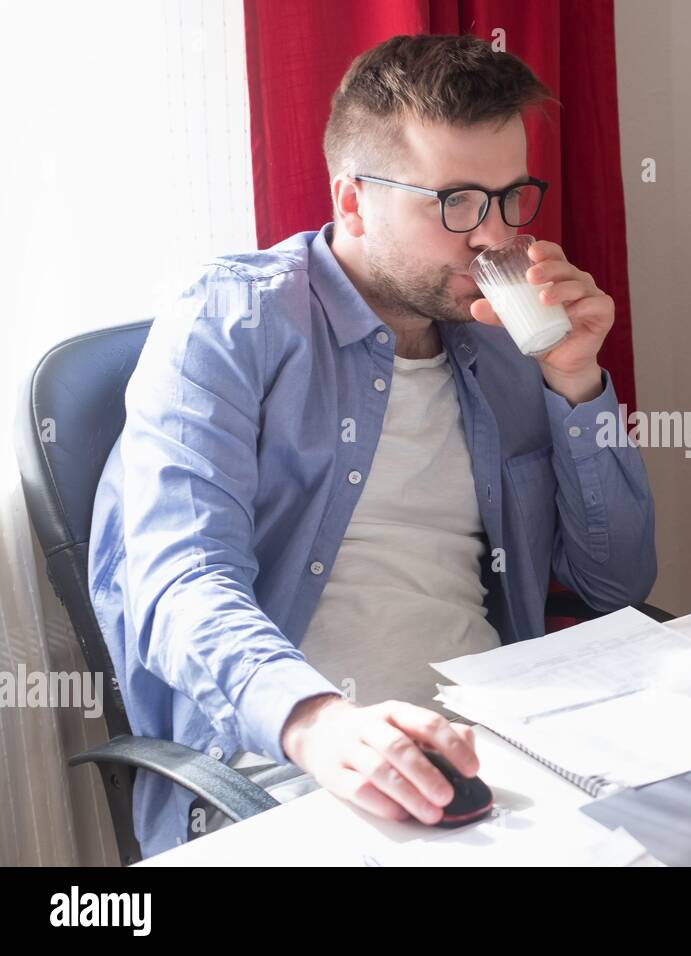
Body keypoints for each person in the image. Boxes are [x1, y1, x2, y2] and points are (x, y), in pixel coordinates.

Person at [88, 33, 656, 860]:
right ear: (353, 202)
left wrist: (576, 381)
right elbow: (179, 585)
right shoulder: (229, 325)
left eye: (511, 198)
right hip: (287, 769)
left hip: (499, 753)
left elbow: (618, 582)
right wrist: (321, 726)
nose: (493, 236)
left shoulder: (502, 337)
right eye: (456, 202)